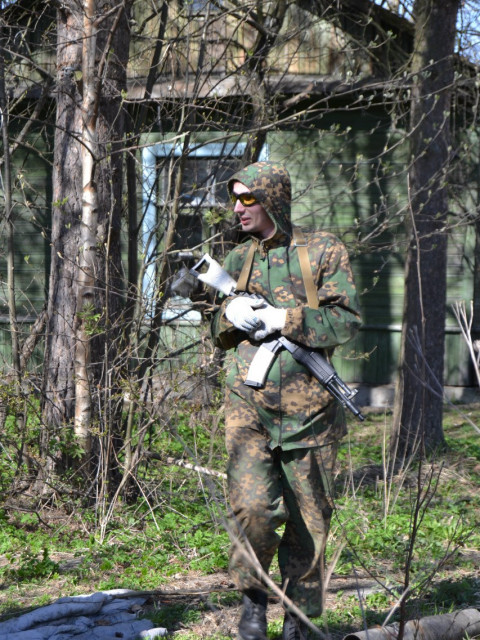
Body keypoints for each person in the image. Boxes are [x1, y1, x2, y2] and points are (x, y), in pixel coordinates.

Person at [211, 161, 362, 640]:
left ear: (272, 197)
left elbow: (346, 321)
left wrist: (285, 320)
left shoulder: (322, 251)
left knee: (309, 520)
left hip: (311, 412)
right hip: (247, 405)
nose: (238, 208)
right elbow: (217, 332)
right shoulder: (237, 260)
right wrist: (232, 315)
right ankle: (253, 600)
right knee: (253, 510)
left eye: (248, 198)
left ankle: (298, 618)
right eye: (235, 199)